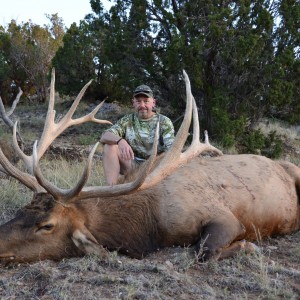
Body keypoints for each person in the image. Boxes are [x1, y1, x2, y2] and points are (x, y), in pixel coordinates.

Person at [100, 84, 175, 185]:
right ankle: (112, 190)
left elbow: (171, 150)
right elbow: (104, 136)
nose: (142, 105)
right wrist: (120, 141)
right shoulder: (127, 120)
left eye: (146, 101)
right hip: (133, 166)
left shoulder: (164, 122)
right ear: (133, 103)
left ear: (153, 102)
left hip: (155, 167)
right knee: (109, 146)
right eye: (138, 101)